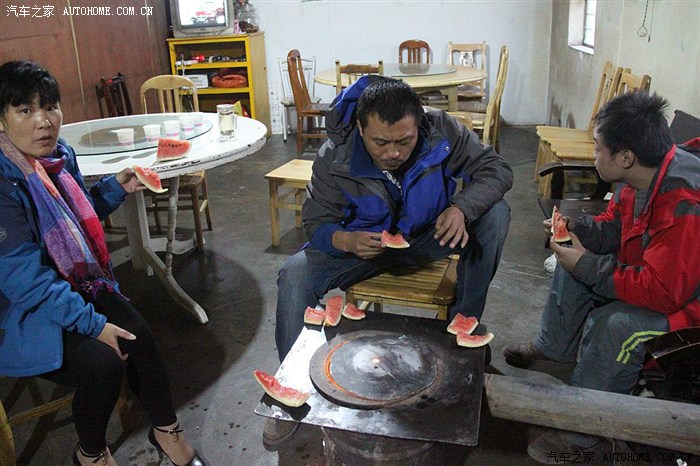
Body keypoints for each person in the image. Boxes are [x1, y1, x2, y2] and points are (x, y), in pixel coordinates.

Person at [266, 76, 513, 445]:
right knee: (294, 273)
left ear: (419, 124)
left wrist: (462, 207)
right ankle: (291, 388)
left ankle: (464, 337)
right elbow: (316, 222)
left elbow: (497, 170)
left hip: (429, 236)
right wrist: (343, 240)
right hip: (363, 248)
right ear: (360, 128)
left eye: (404, 141)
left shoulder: (441, 130)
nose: (393, 153)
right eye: (380, 143)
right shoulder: (335, 157)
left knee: (495, 214)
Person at [0, 60, 208, 466]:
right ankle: (91, 454)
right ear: (2, 119)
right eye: (25, 110)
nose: (44, 121)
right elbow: (24, 280)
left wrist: (116, 187)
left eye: (50, 106)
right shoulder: (4, 183)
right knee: (103, 363)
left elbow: (75, 222)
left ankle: (167, 430)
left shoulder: (60, 156)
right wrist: (93, 324)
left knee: (139, 334)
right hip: (21, 311)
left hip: (72, 287)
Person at [503, 92, 700, 462]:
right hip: (663, 278)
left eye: (597, 148)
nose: (593, 155)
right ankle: (554, 348)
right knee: (574, 260)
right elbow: (616, 228)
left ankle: (584, 434)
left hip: (689, 307)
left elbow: (664, 292)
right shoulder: (639, 176)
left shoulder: (684, 204)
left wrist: (587, 265)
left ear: (625, 157)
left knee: (616, 325)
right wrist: (579, 229)